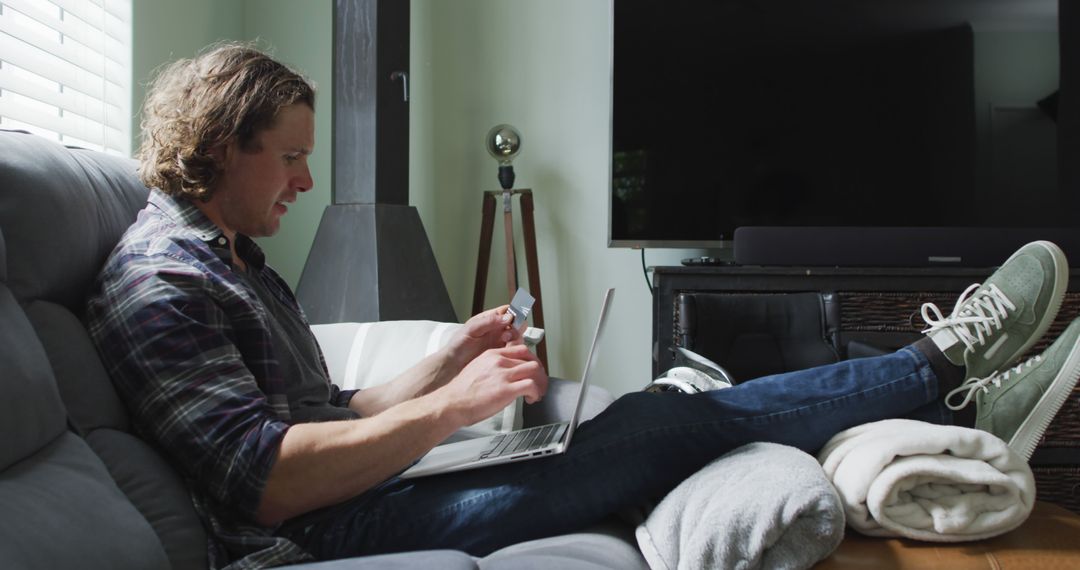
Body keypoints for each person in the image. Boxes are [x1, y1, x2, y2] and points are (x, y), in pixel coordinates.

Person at [86, 42, 1080, 567]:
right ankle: (941, 375)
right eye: (292, 156)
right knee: (660, 421)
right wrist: (451, 410)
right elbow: (267, 484)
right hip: (319, 536)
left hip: (358, 497)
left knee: (647, 416)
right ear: (222, 146)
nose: (305, 180)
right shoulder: (161, 282)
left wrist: (450, 357)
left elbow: (329, 417)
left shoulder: (235, 260)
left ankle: (943, 385)